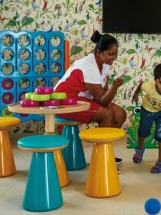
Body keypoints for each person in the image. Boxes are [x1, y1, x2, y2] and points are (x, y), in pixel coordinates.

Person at [54, 31, 127, 162]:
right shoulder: (88, 66)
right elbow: (102, 100)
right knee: (106, 114)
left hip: (83, 97)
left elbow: (104, 93)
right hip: (64, 99)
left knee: (120, 114)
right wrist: (114, 87)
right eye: (110, 54)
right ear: (99, 52)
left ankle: (104, 150)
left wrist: (111, 88)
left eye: (115, 54)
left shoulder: (105, 64)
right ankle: (102, 160)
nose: (114, 57)